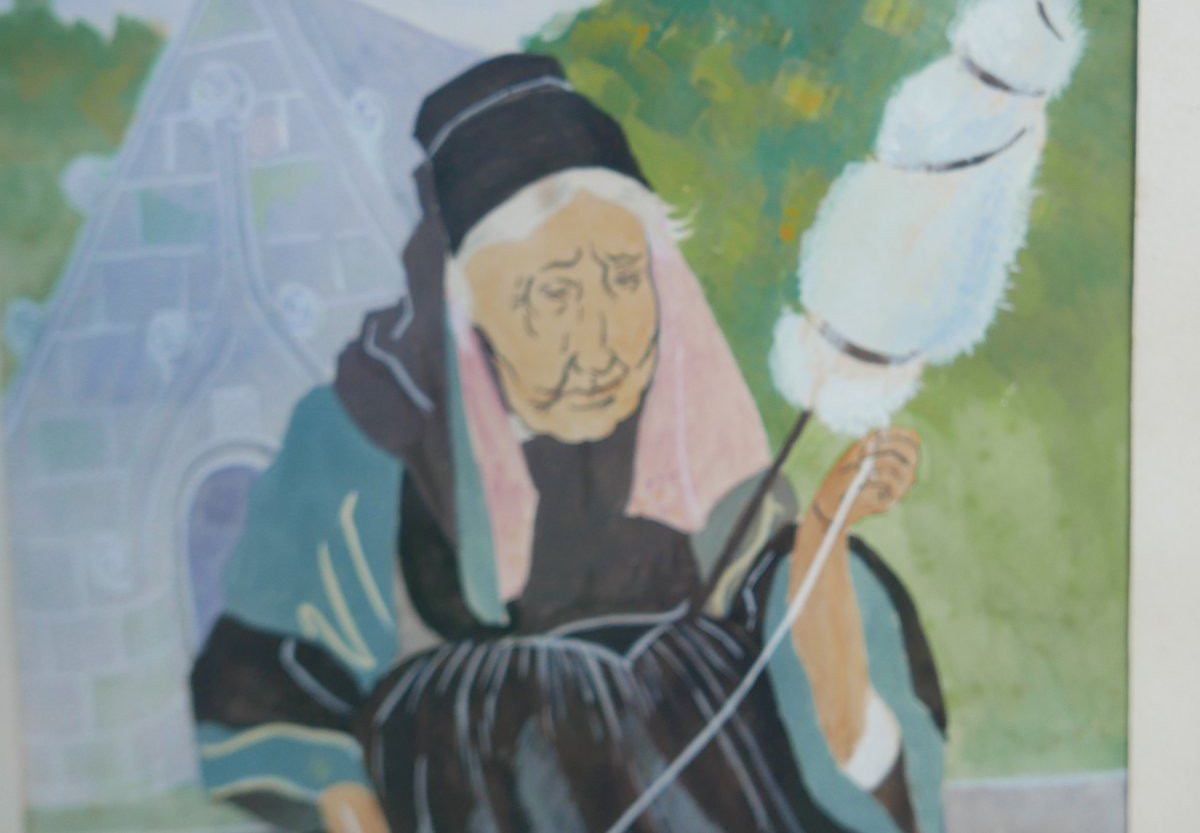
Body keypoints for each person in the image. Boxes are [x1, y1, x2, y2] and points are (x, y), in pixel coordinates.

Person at [190, 54, 947, 833]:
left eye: (623, 278)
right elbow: (274, 697)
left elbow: (809, 687)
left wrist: (823, 528)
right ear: (464, 304)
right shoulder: (366, 433)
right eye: (551, 294)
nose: (603, 345)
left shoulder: (688, 430)